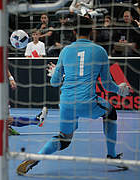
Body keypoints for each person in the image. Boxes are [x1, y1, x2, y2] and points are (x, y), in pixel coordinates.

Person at [16, 16, 130, 175]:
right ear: (92, 31)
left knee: (64, 139)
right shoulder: (100, 51)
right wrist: (120, 89)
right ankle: (111, 155)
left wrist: (57, 75)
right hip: (87, 101)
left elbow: (54, 83)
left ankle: (36, 157)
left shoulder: (65, 50)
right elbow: (107, 84)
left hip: (66, 102)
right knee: (110, 112)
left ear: (74, 31)